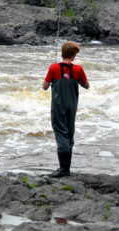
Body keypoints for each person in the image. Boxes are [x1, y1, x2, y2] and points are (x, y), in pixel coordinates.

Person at [42, 41, 90, 178]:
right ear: (74, 54)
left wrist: (52, 77)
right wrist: (77, 79)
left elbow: (44, 87)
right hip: (72, 106)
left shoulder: (53, 67)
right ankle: (66, 167)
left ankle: (63, 169)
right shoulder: (78, 69)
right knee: (69, 135)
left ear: (63, 53)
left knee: (61, 134)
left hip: (58, 106)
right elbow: (86, 86)